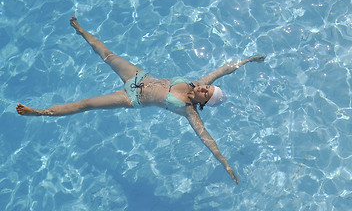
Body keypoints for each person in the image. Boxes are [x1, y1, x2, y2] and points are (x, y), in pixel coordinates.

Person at [16, 17, 266, 185]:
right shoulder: (196, 82)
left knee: (86, 104)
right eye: (207, 86)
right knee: (107, 53)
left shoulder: (190, 112)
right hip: (139, 76)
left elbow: (207, 140)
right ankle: (81, 30)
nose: (203, 87)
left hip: (132, 96)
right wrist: (248, 60)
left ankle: (40, 112)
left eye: (206, 92)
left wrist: (225, 164)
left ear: (204, 102)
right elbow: (222, 69)